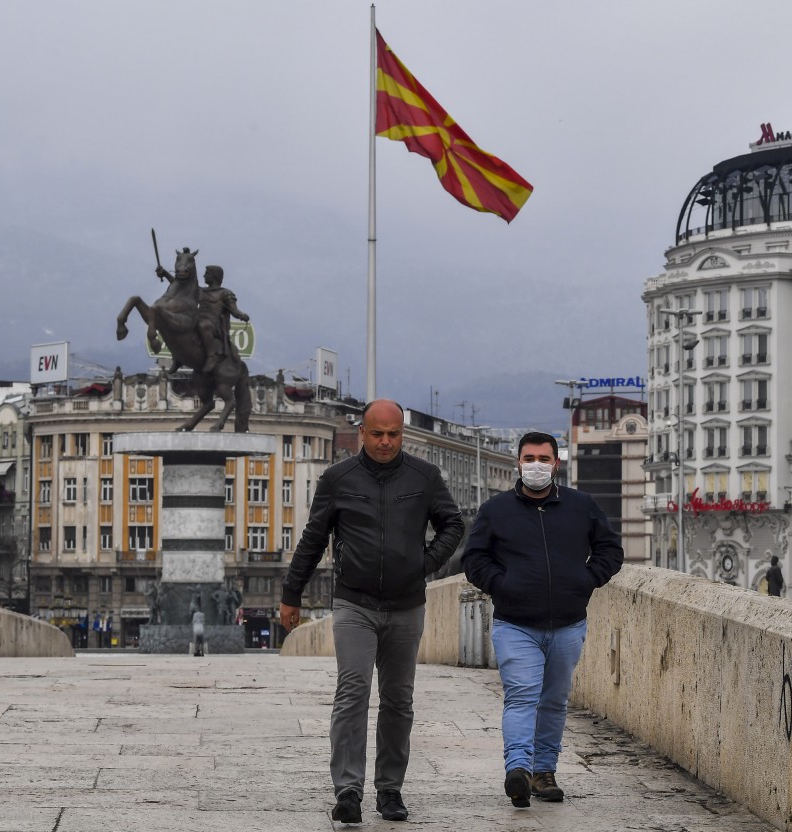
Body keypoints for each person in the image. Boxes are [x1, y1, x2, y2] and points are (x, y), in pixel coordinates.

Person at [281, 399, 464, 823]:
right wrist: (292, 594)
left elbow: (453, 524)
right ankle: (347, 788)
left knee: (398, 699)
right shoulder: (337, 478)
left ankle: (390, 789)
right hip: (354, 602)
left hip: (407, 604)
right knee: (352, 691)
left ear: (403, 435)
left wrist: (425, 563)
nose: (385, 442)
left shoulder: (425, 476)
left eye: (393, 434)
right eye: (377, 433)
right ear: (361, 433)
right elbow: (312, 539)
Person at [462, 431, 623, 809]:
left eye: (544, 458)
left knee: (553, 700)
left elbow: (610, 550)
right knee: (521, 695)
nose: (537, 465)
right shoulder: (496, 510)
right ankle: (518, 767)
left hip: (567, 623)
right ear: (517, 463)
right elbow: (473, 559)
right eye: (530, 458)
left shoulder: (581, 506)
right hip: (515, 624)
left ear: (557, 463)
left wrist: (585, 580)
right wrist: (502, 585)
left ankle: (544, 772)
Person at [195, 265, 248, 374]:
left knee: (203, 325)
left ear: (214, 276)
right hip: (199, 320)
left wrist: (241, 315)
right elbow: (183, 287)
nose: (204, 275)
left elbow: (234, 310)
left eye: (207, 273)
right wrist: (165, 274)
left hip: (215, 325)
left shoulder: (225, 293)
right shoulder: (201, 291)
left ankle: (211, 356)